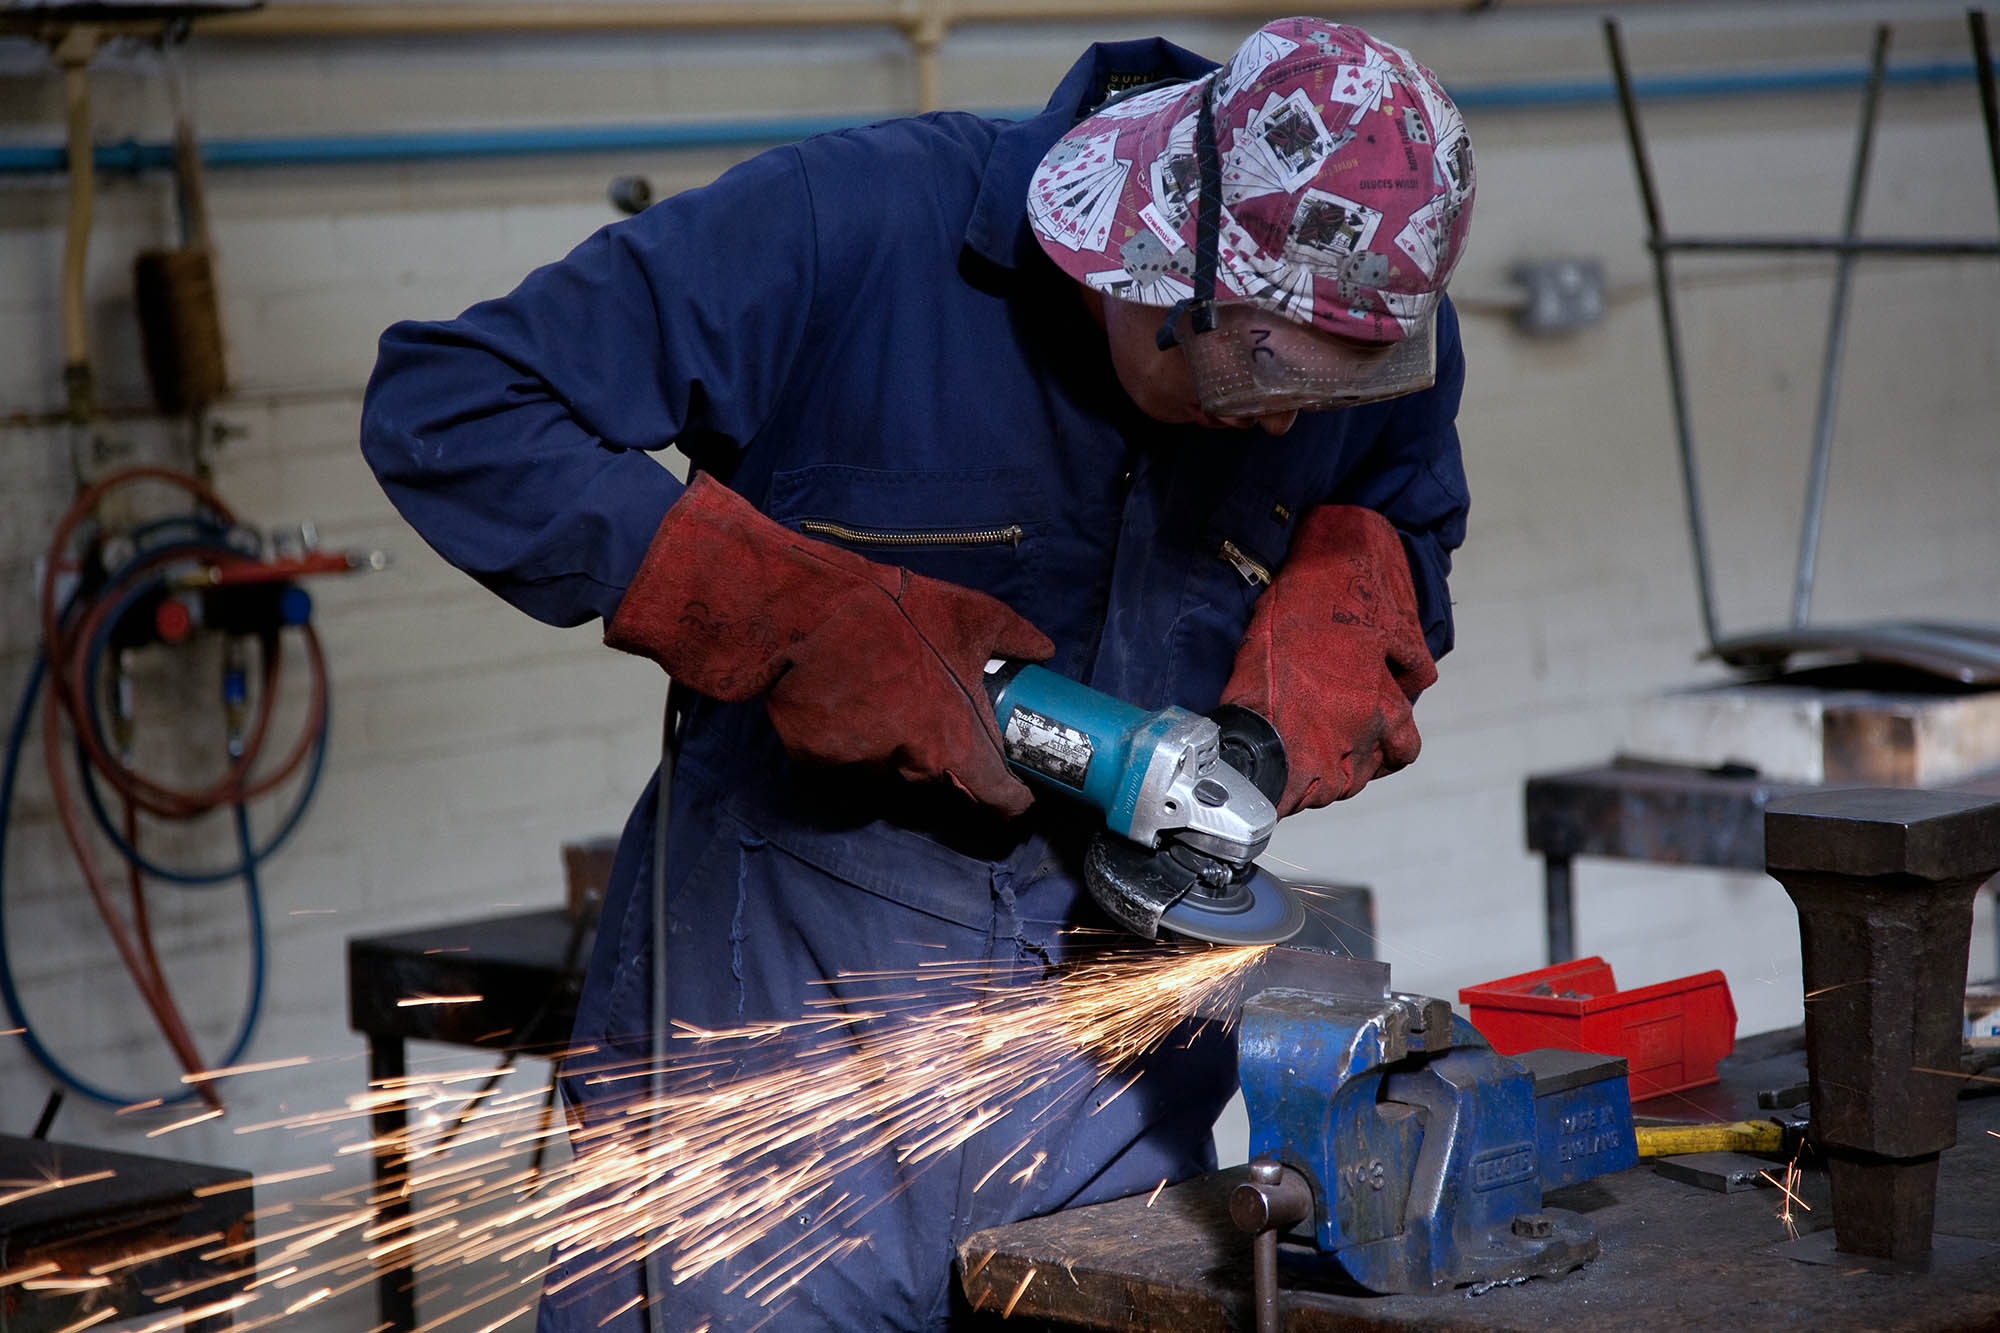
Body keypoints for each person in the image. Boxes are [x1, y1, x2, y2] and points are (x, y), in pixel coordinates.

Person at [361, 15, 1474, 1331]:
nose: (1286, 424)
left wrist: (1318, 651)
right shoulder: (855, 231)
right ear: (1157, 254)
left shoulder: (1354, 321)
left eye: (1337, 393)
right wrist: (793, 616)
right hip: (782, 1075)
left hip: (1119, 1082)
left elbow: (1400, 517)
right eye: (1257, 377)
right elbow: (451, 404)